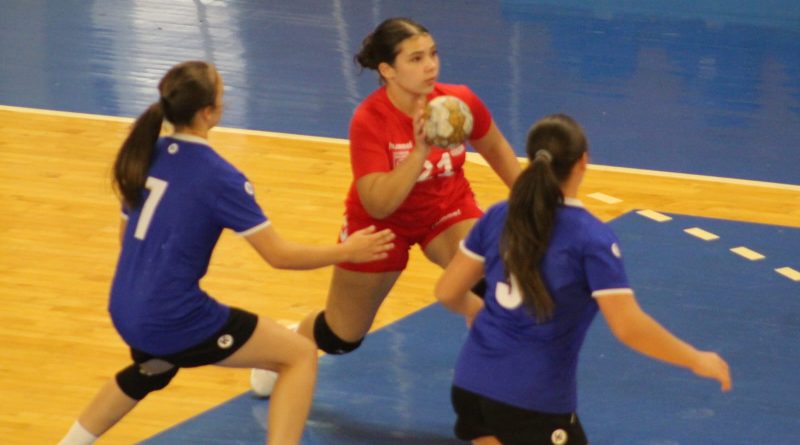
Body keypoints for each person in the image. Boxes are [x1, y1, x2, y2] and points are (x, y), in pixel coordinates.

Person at [56, 60, 395, 445]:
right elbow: (279, 256)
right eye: (222, 94)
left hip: (124, 306)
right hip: (172, 316)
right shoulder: (220, 177)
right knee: (299, 355)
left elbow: (126, 238)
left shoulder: (145, 153)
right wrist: (348, 251)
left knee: (154, 367)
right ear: (208, 112)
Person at [250, 16, 522, 394]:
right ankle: (289, 342)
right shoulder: (370, 120)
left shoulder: (456, 102)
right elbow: (378, 205)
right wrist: (419, 151)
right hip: (381, 226)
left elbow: (494, 147)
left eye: (433, 54)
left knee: (490, 275)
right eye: (416, 59)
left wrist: (533, 202)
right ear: (387, 70)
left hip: (446, 209)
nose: (430, 66)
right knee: (342, 337)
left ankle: (497, 367)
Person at [434, 114, 732, 445]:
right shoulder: (590, 237)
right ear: (583, 162)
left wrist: (477, 310)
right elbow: (628, 327)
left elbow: (447, 291)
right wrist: (695, 358)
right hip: (531, 399)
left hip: (472, 385)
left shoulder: (498, 215)